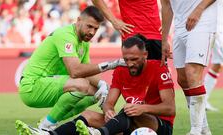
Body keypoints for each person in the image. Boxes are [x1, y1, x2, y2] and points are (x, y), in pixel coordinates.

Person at [15, 34, 176, 135]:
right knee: (87, 115)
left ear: (145, 55)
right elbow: (109, 103)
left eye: (134, 59)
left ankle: (98, 133)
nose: (130, 64)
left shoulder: (158, 68)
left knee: (129, 111)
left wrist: (143, 108)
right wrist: (108, 111)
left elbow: (170, 108)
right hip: (128, 123)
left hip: (158, 126)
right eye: (126, 59)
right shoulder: (121, 70)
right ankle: (49, 134)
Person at [16, 6, 126, 132]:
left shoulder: (84, 42)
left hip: (49, 84)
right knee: (81, 84)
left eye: (96, 28)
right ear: (78, 20)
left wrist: (102, 86)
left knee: (96, 92)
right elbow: (75, 71)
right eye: (89, 26)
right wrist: (111, 65)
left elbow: (86, 71)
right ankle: (46, 126)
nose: (92, 32)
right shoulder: (66, 35)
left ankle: (49, 120)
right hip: (32, 87)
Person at [161, 0, 217, 135]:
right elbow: (166, 5)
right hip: (180, 26)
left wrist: (199, 10)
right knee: (183, 79)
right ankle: (204, 129)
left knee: (192, 73)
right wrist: (164, 40)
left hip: (202, 21)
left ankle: (196, 130)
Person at [92, 0, 163, 60]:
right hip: (133, 35)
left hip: (156, 35)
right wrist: (113, 20)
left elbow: (167, 4)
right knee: (136, 75)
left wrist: (165, 30)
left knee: (158, 74)